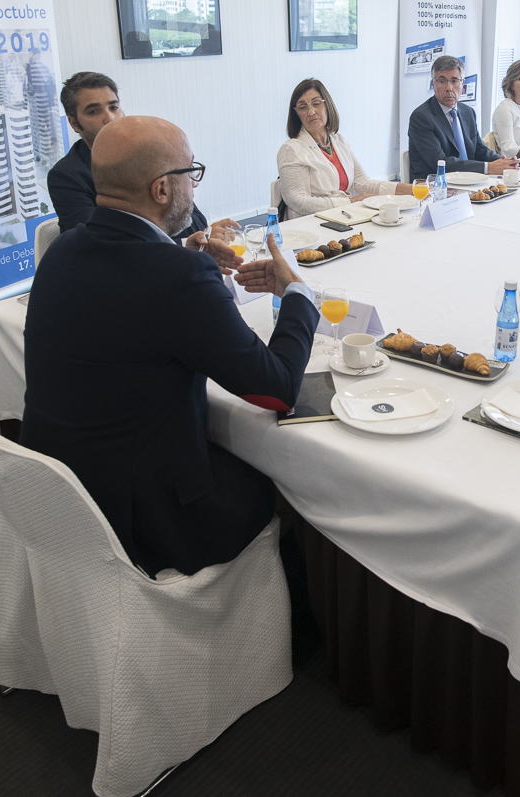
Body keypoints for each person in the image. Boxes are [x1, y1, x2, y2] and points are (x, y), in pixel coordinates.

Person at [21, 115, 319, 577]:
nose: (195, 188)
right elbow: (276, 390)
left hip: (60, 490)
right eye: (191, 174)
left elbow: (126, 303)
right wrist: (298, 294)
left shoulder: (63, 249)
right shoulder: (179, 277)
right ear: (162, 189)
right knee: (288, 484)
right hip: (147, 515)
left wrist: (186, 253)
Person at [47, 71, 215, 242]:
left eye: (113, 107)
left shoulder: (150, 152)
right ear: (75, 123)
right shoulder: (66, 175)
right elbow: (99, 239)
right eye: (94, 112)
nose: (110, 118)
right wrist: (181, 239)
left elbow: (195, 222)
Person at [277, 78, 413, 218]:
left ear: (327, 106)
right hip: (312, 222)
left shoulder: (338, 140)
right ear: (296, 114)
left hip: (344, 216)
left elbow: (363, 183)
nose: (311, 112)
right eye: (302, 107)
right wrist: (349, 201)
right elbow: (298, 201)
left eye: (316, 104)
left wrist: (409, 189)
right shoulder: (291, 150)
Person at [407, 56, 518, 181]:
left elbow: (479, 150)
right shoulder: (421, 117)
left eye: (454, 81)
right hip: (436, 187)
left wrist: (503, 162)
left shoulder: (467, 112)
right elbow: (441, 163)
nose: (449, 88)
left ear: (462, 83)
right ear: (433, 84)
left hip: (469, 182)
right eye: (442, 81)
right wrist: (488, 167)